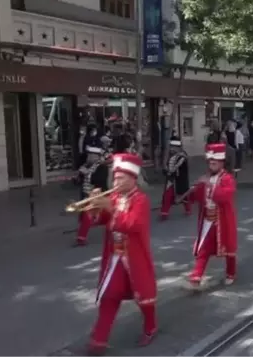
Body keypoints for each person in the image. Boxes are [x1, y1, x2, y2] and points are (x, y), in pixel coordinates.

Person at [85, 153, 157, 356]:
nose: (116, 181)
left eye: (121, 178)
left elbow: (133, 224)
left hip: (134, 258)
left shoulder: (141, 200)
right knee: (109, 296)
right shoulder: (114, 197)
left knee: (143, 297)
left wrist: (111, 207)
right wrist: (94, 207)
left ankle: (151, 326)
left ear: (133, 178)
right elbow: (100, 221)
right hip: (115, 258)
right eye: (114, 177)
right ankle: (98, 340)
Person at [187, 143, 238, 290]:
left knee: (229, 249)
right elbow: (199, 198)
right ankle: (196, 277)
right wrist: (194, 191)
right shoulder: (206, 178)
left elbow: (224, 197)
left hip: (223, 220)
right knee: (204, 248)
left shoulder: (227, 179)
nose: (212, 165)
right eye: (210, 162)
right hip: (208, 220)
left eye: (215, 162)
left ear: (222, 163)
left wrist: (208, 185)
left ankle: (231, 273)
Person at [74, 146, 110, 247]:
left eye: (91, 156)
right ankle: (81, 237)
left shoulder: (102, 167)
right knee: (89, 216)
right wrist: (79, 176)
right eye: (88, 155)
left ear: (97, 157)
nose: (88, 157)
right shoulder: (86, 166)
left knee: (89, 215)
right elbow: (80, 182)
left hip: (98, 196)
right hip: (87, 195)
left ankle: (81, 237)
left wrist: (87, 174)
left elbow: (99, 180)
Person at [159, 136, 191, 220]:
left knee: (183, 195)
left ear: (177, 147)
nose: (171, 149)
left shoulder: (182, 156)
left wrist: (168, 171)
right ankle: (164, 213)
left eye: (173, 147)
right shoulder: (170, 155)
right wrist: (165, 169)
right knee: (167, 195)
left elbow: (175, 167)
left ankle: (188, 209)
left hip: (180, 180)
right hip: (171, 179)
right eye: (171, 147)